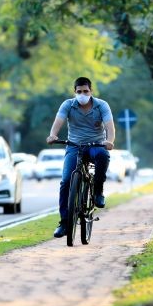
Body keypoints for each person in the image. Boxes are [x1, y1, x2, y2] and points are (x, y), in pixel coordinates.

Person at [46, 76, 115, 238]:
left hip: (95, 146)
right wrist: (52, 135)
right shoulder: (68, 105)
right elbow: (59, 121)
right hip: (74, 147)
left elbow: (110, 127)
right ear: (74, 92)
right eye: (79, 91)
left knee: (103, 156)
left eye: (85, 91)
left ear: (91, 91)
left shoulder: (102, 105)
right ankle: (64, 223)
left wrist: (109, 141)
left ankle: (98, 192)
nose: (82, 94)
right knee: (66, 181)